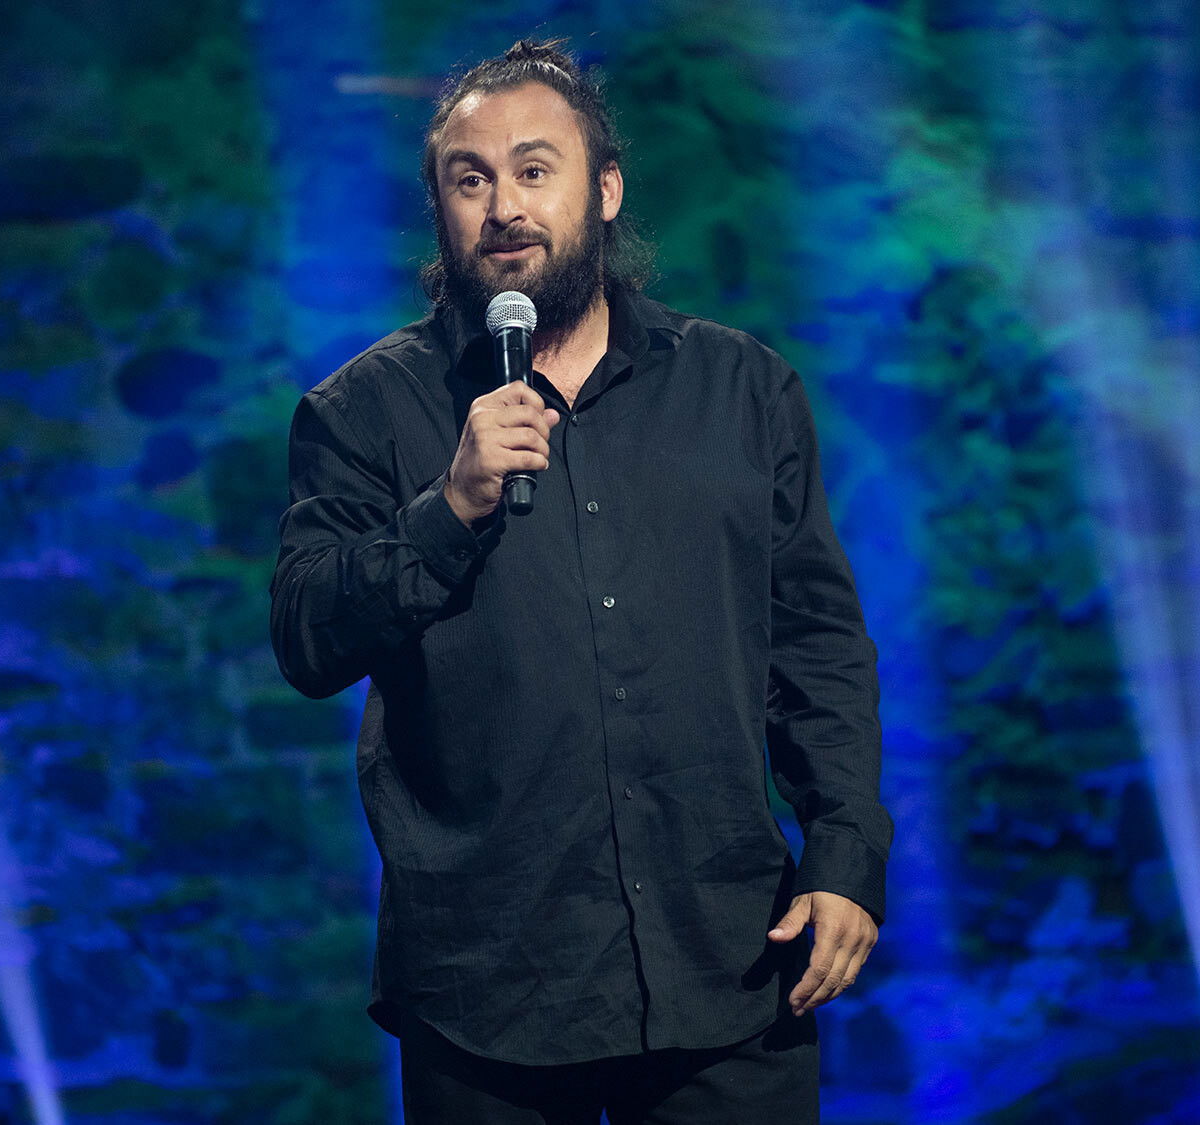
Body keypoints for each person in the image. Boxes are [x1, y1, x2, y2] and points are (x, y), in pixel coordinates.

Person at [269, 37, 891, 1124]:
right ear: (440, 209)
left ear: (603, 190)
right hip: (489, 986)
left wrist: (842, 852)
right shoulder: (363, 412)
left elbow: (815, 646)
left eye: (533, 169)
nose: (503, 206)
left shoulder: (740, 390)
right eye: (469, 179)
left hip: (726, 963)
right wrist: (448, 507)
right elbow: (308, 637)